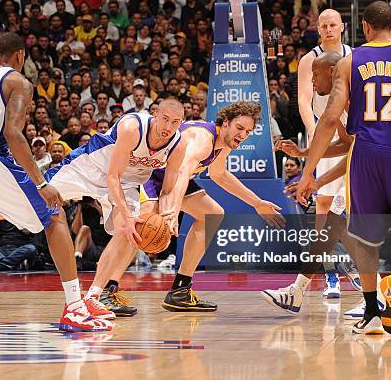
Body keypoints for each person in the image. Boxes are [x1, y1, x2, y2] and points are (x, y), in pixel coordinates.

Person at [0, 33, 110, 332]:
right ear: (19, 56)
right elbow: (14, 134)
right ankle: (75, 308)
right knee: (54, 215)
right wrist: (41, 183)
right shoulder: (18, 82)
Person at [296, 1, 391, 335]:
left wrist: (308, 172)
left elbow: (329, 120)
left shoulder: (350, 62)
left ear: (364, 28)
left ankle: (370, 308)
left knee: (362, 236)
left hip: (365, 155)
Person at [94, 102, 284, 316]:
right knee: (141, 225)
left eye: (248, 131)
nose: (243, 134)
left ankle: (181, 290)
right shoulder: (202, 138)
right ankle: (105, 291)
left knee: (212, 214)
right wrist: (172, 211)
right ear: (226, 122)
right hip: (149, 173)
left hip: (170, 178)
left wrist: (256, 202)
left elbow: (219, 175)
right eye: (239, 128)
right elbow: (183, 172)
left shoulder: (222, 145)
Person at [262, 52, 380, 320]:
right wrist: (305, 154)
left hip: (378, 170)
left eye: (315, 74)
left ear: (331, 71)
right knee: (336, 231)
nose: (312, 80)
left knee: (343, 231)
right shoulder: (336, 102)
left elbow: (359, 150)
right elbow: (348, 146)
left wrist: (313, 180)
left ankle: (376, 298)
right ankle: (300, 291)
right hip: (362, 168)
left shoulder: (359, 98)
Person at [44, 98, 186, 320]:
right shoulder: (133, 128)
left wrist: (169, 215)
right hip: (90, 167)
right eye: (165, 119)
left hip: (127, 183)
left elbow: (167, 190)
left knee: (130, 231)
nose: (168, 127)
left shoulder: (178, 144)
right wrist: (128, 214)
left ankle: (93, 297)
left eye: (175, 122)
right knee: (33, 202)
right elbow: (112, 176)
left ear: (181, 122)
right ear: (155, 114)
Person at [296, 9, 352, 298]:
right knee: (323, 206)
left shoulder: (353, 56)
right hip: (324, 135)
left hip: (350, 133)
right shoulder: (309, 59)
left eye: (333, 24)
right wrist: (315, 133)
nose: (329, 29)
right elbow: (305, 101)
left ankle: (355, 265)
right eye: (324, 25)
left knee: (350, 205)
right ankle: (329, 272)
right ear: (318, 29)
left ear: (342, 26)